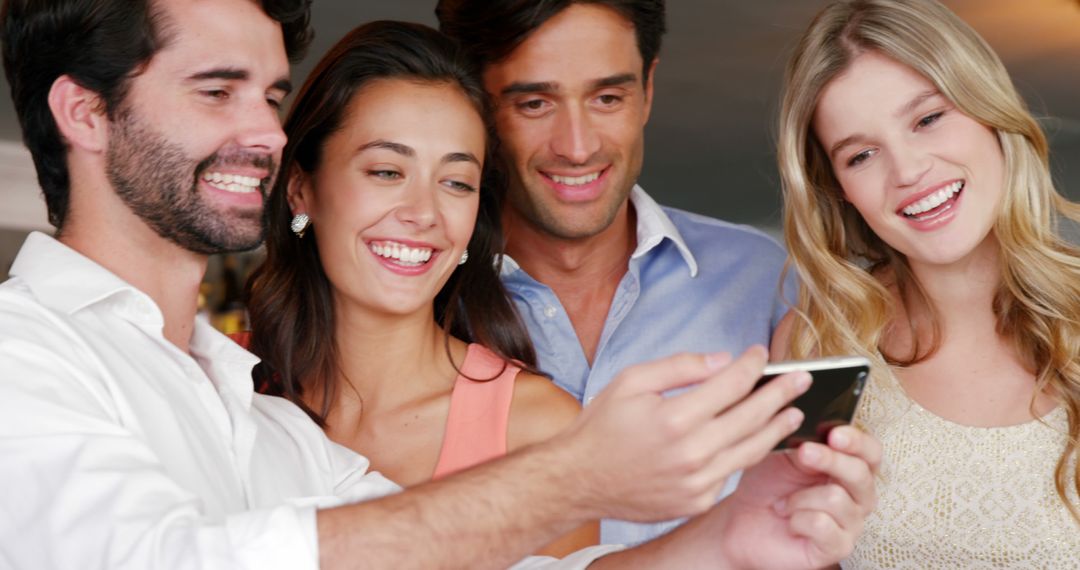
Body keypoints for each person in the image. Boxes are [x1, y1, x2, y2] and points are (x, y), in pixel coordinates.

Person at [0, 0, 880, 568]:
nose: (263, 133)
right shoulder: (21, 349)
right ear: (85, 112)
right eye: (216, 91)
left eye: (270, 97)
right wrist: (573, 477)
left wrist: (732, 538)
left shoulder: (249, 413)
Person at [435, 0, 796, 545]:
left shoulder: (770, 282)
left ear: (647, 89)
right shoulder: (422, 301)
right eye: (534, 102)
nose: (577, 147)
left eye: (608, 97)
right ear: (473, 106)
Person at [243, 21, 597, 556]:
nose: (425, 214)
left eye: (456, 182)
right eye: (387, 171)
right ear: (301, 190)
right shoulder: (224, 393)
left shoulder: (541, 432)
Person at [773, 0, 1080, 567]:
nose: (908, 171)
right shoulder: (818, 345)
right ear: (839, 188)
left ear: (989, 112)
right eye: (862, 154)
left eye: (928, 119)